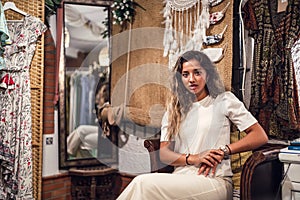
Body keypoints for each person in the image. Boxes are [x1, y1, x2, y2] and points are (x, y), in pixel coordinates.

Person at [116, 50, 268, 200]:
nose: (191, 79)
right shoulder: (174, 109)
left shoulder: (224, 100)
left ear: (207, 74)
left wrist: (224, 150)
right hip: (180, 179)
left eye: (197, 72)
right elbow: (164, 154)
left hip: (214, 181)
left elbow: (259, 136)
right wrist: (194, 158)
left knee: (143, 183)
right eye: (185, 74)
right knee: (142, 186)